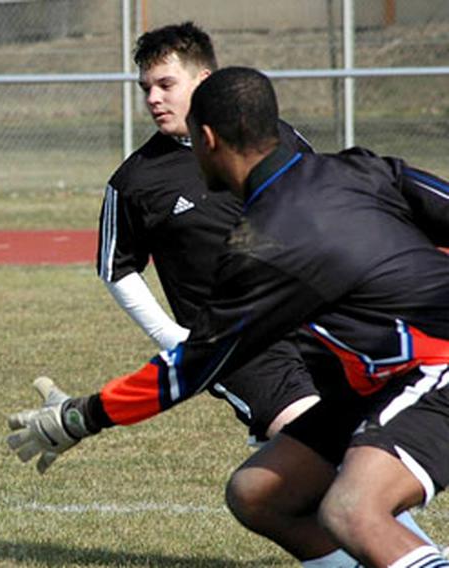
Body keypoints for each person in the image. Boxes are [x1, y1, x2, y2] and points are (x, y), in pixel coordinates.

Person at [9, 67, 449, 567]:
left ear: (208, 140)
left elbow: (191, 366)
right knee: (258, 492)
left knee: (352, 510)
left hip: (435, 370)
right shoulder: (359, 168)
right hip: (386, 379)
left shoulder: (261, 245)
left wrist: (82, 416)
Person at [98, 21, 320, 445]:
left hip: (314, 322)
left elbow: (324, 209)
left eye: (165, 84)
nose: (153, 99)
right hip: (236, 345)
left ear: (204, 81)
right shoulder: (135, 181)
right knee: (314, 441)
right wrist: (172, 337)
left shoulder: (277, 137)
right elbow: (116, 268)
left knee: (356, 448)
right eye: (145, 88)